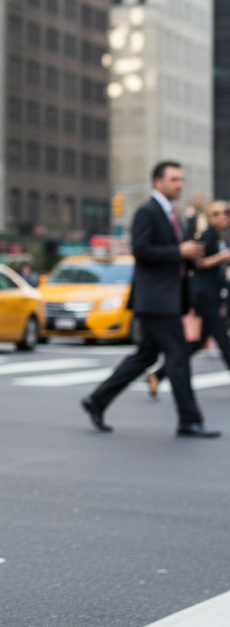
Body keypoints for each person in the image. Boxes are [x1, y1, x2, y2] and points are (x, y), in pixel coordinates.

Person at [81, 162, 219, 438]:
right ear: (158, 182)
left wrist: (190, 258)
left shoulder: (172, 213)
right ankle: (189, 420)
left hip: (166, 298)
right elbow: (141, 251)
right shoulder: (148, 211)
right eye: (173, 180)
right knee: (178, 355)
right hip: (156, 299)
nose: (179, 184)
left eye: (181, 179)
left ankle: (97, 400)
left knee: (146, 355)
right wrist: (179, 251)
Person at [147, 199, 230, 396]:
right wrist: (223, 257)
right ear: (209, 217)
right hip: (203, 295)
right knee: (223, 339)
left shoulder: (221, 236)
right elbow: (198, 262)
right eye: (216, 213)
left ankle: (158, 374)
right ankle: (158, 374)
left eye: (225, 212)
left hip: (213, 294)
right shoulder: (207, 236)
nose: (222, 216)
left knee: (198, 342)